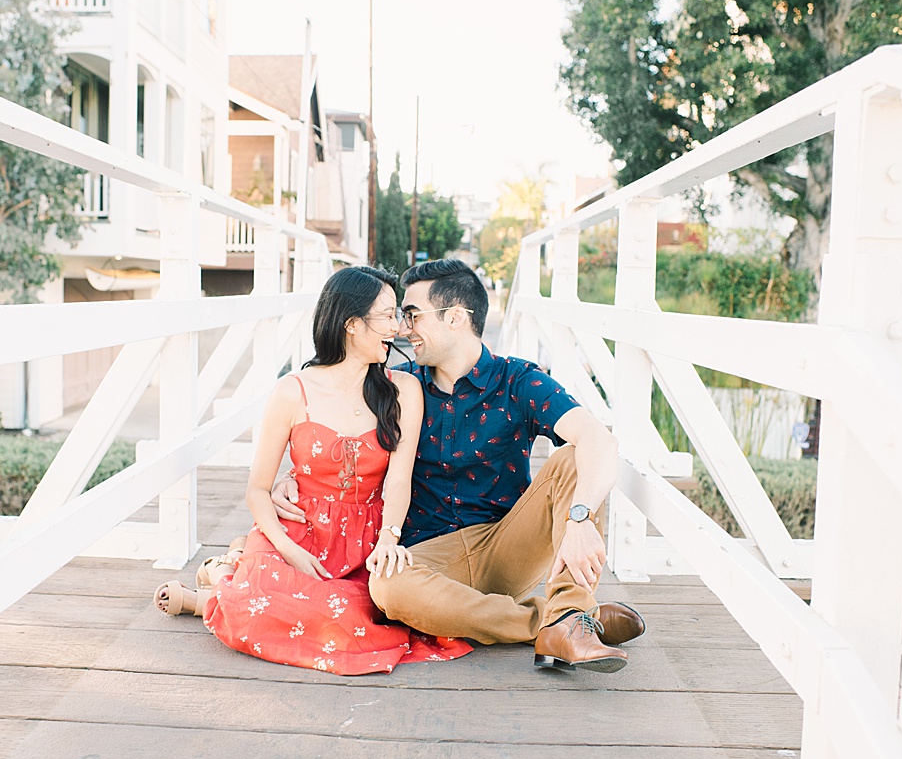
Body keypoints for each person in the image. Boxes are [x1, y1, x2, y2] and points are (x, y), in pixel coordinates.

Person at [273, 259, 645, 672]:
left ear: (454, 317)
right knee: (386, 586)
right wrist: (292, 479)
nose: (401, 327)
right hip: (429, 556)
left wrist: (579, 518)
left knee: (575, 456)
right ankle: (558, 621)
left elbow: (598, 438)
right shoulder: (399, 386)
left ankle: (571, 608)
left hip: (506, 544)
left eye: (411, 315)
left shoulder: (518, 379)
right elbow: (344, 441)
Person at [154, 266, 471, 675]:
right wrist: (290, 551)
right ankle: (222, 589)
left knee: (352, 616)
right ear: (352, 325)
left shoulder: (402, 390)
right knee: (255, 605)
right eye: (388, 315)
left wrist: (388, 540)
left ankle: (223, 580)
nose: (398, 328)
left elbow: (398, 480)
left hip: (364, 537)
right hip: (298, 529)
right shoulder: (292, 391)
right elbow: (257, 490)